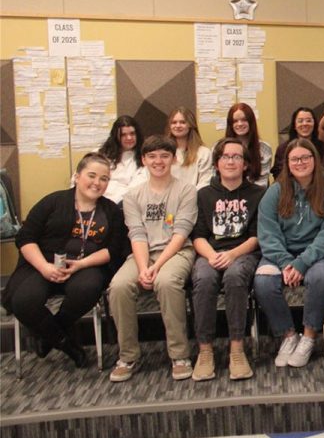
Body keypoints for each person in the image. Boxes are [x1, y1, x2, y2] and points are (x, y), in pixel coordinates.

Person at [2, 153, 126, 367]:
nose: (97, 183)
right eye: (92, 175)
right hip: (42, 264)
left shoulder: (112, 211)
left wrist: (81, 264)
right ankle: (66, 344)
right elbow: (25, 238)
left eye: (104, 179)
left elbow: (114, 250)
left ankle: (48, 336)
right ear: (77, 176)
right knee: (24, 301)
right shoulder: (52, 202)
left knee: (87, 289)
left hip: (87, 265)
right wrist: (44, 267)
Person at [108, 135, 198, 382]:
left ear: (173, 158)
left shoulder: (187, 191)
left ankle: (180, 355)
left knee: (166, 282)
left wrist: (156, 267)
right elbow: (136, 234)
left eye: (164, 156)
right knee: (118, 286)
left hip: (177, 252)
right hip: (142, 254)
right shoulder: (132, 196)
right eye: (152, 156)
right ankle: (128, 356)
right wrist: (142, 267)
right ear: (144, 160)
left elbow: (181, 232)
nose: (158, 161)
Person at [255, 138, 324, 369]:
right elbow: (268, 233)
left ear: (315, 160)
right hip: (282, 254)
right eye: (295, 159)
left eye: (306, 157)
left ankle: (308, 336)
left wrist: (302, 263)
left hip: (320, 252)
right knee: (263, 281)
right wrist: (287, 262)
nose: (300, 162)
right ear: (287, 163)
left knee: (320, 278)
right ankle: (287, 336)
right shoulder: (275, 192)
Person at [189, 138, 265, 381]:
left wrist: (232, 254)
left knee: (234, 277)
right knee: (202, 278)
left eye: (237, 157)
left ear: (245, 164)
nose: (231, 161)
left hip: (244, 253)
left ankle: (236, 348)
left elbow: (257, 236)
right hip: (210, 253)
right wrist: (212, 255)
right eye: (225, 157)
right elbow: (198, 236)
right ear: (217, 163)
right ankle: (205, 350)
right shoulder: (203, 195)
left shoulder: (258, 194)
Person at [270, 106, 324, 183]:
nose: (305, 124)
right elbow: (278, 174)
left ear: (314, 124)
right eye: (300, 121)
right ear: (294, 126)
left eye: (309, 121)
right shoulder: (283, 149)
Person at [96, 115, 147, 204]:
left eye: (132, 133)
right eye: (124, 135)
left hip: (127, 205)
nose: (129, 138)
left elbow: (135, 190)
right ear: (116, 136)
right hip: (99, 202)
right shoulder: (100, 155)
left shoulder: (145, 158)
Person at [224, 102, 273, 187]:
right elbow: (217, 180)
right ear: (230, 124)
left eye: (244, 120)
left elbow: (262, 184)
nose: (240, 124)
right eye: (235, 121)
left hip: (255, 196)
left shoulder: (264, 148)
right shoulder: (220, 148)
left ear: (251, 122)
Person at [167, 107, 213, 189]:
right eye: (174, 122)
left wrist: (189, 197)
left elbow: (205, 181)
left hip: (195, 198)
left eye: (182, 122)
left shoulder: (204, 152)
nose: (178, 126)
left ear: (191, 125)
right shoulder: (164, 152)